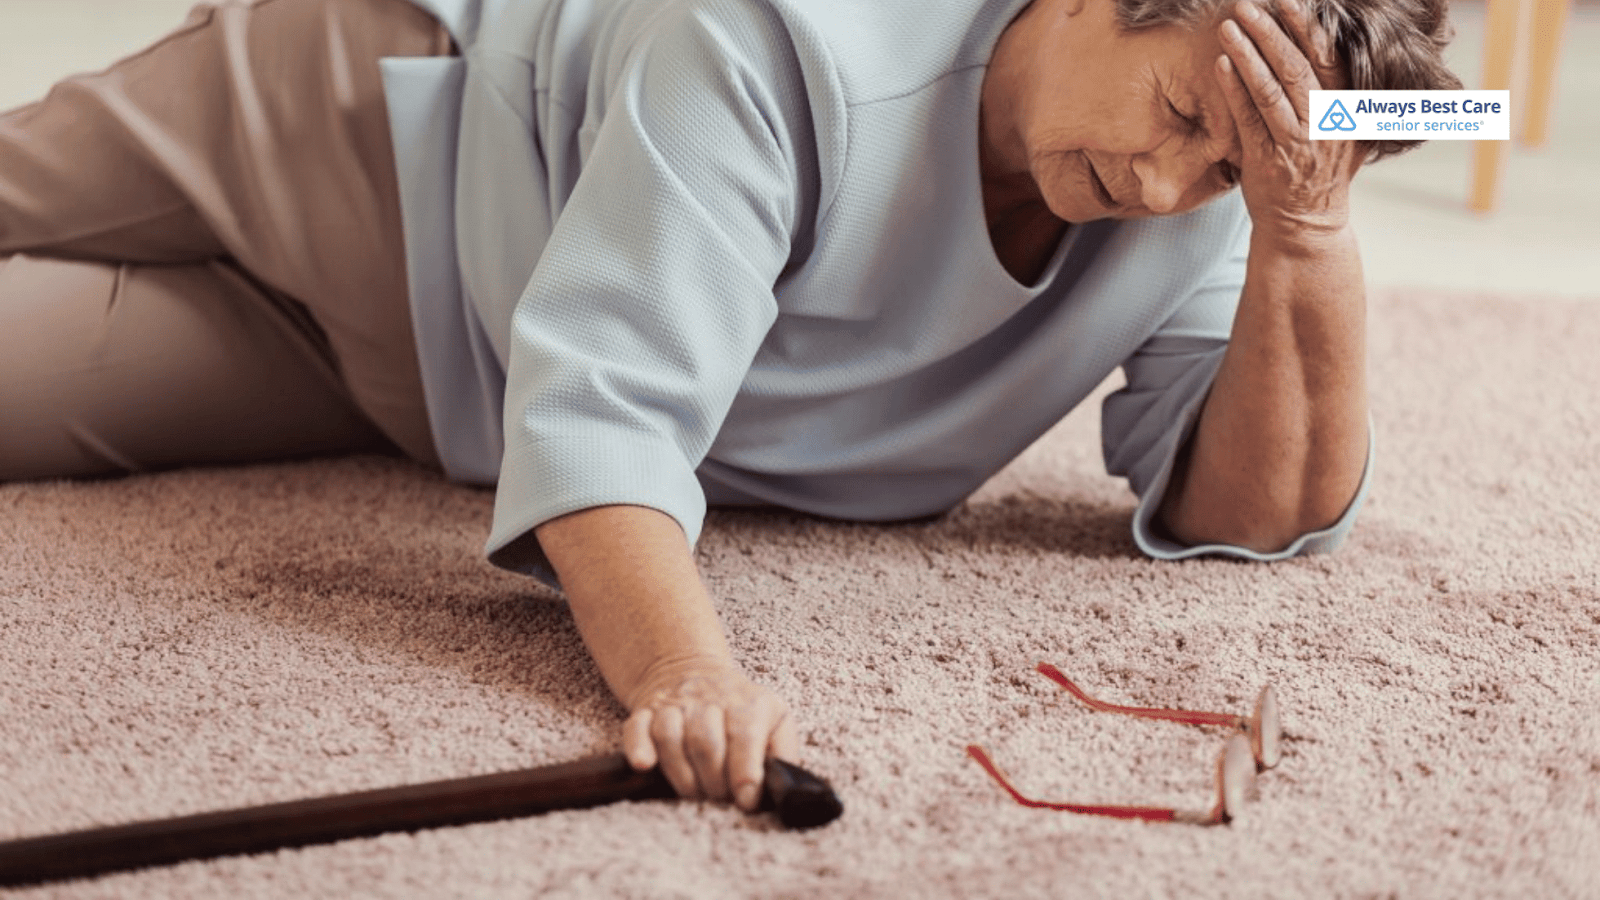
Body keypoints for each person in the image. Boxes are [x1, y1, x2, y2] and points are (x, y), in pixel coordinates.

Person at [0, 0, 1459, 814]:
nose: (1161, 182)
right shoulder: (776, 44)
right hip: (369, 133)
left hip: (427, 382)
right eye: (1184, 113)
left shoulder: (1207, 215)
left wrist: (1302, 231)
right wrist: (681, 674)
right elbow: (605, 419)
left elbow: (1254, 509)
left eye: (1230, 163)